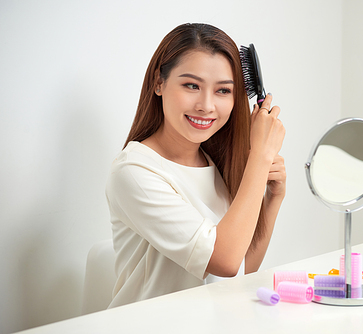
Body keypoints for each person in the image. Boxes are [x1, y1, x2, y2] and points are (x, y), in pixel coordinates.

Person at [105, 23, 286, 308]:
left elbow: (240, 269)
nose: (206, 105)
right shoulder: (135, 172)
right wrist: (260, 157)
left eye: (223, 91)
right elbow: (223, 261)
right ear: (159, 83)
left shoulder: (215, 163)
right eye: (192, 85)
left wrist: (273, 199)